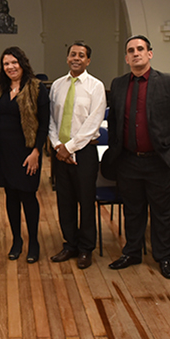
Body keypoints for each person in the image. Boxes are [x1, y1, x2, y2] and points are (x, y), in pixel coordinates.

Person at [104, 35, 170, 278]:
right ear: (126, 58)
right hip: (128, 159)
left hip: (159, 159)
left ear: (149, 53)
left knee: (162, 212)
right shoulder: (119, 84)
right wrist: (115, 148)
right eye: (131, 50)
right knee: (132, 210)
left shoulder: (167, 81)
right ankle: (132, 252)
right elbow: (113, 120)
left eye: (140, 49)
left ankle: (164, 257)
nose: (136, 53)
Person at [48, 41, 106, 270]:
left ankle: (85, 248)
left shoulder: (96, 86)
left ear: (88, 61)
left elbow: (93, 123)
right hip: (60, 153)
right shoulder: (57, 86)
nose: (76, 58)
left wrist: (69, 148)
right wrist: (57, 145)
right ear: (67, 58)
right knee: (65, 201)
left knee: (86, 201)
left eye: (81, 55)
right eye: (73, 54)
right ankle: (70, 244)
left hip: (84, 152)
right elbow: (52, 120)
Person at [0, 46, 49, 263]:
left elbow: (44, 124)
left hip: (27, 152)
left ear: (22, 63)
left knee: (28, 196)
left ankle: (33, 242)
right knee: (11, 197)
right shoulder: (0, 88)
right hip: (4, 153)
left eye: (14, 62)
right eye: (6, 64)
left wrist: (36, 151)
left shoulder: (36, 87)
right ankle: (16, 240)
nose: (10, 67)